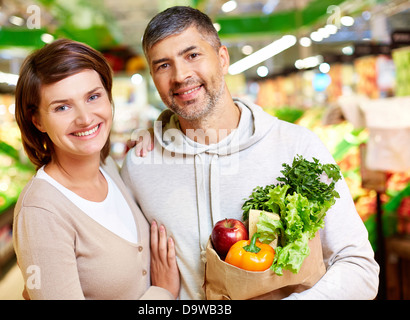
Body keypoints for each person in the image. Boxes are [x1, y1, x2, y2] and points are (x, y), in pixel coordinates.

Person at [121, 6, 379, 300]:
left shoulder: (296, 147)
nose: (180, 76)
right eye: (163, 65)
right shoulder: (140, 165)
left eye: (192, 55)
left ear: (222, 59)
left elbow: (359, 268)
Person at [13, 38, 179, 300]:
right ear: (38, 120)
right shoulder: (41, 212)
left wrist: (156, 137)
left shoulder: (108, 167)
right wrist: (164, 293)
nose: (85, 118)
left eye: (93, 97)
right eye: (62, 107)